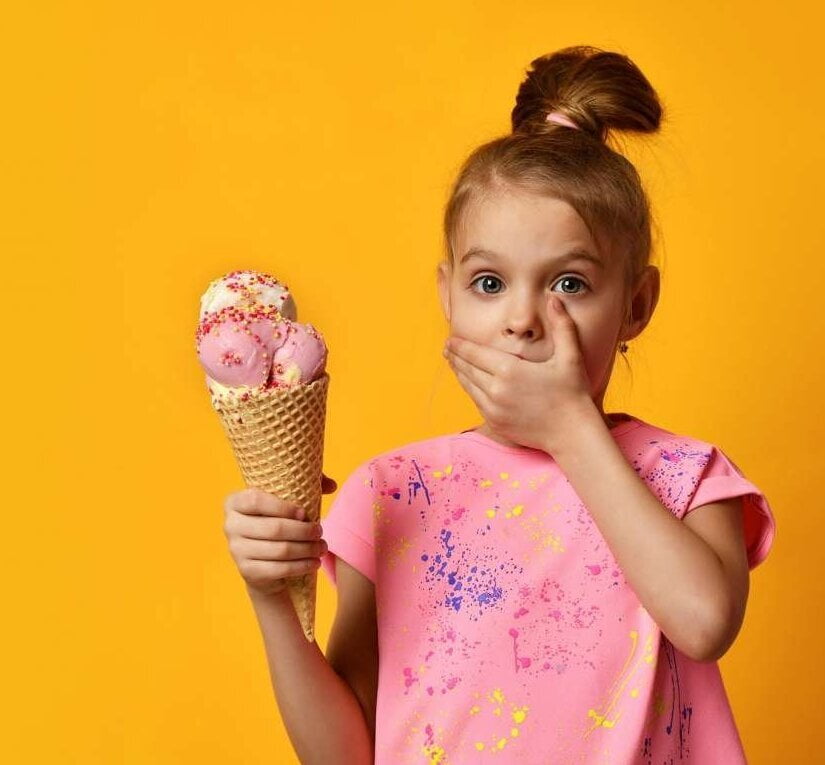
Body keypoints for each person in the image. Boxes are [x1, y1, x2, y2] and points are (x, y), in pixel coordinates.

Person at [223, 45, 776, 764]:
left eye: (569, 284)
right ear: (447, 294)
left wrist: (571, 430)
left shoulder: (685, 476)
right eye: (489, 283)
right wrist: (272, 599)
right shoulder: (390, 493)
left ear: (635, 304)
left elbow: (703, 622)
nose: (522, 318)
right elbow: (341, 754)